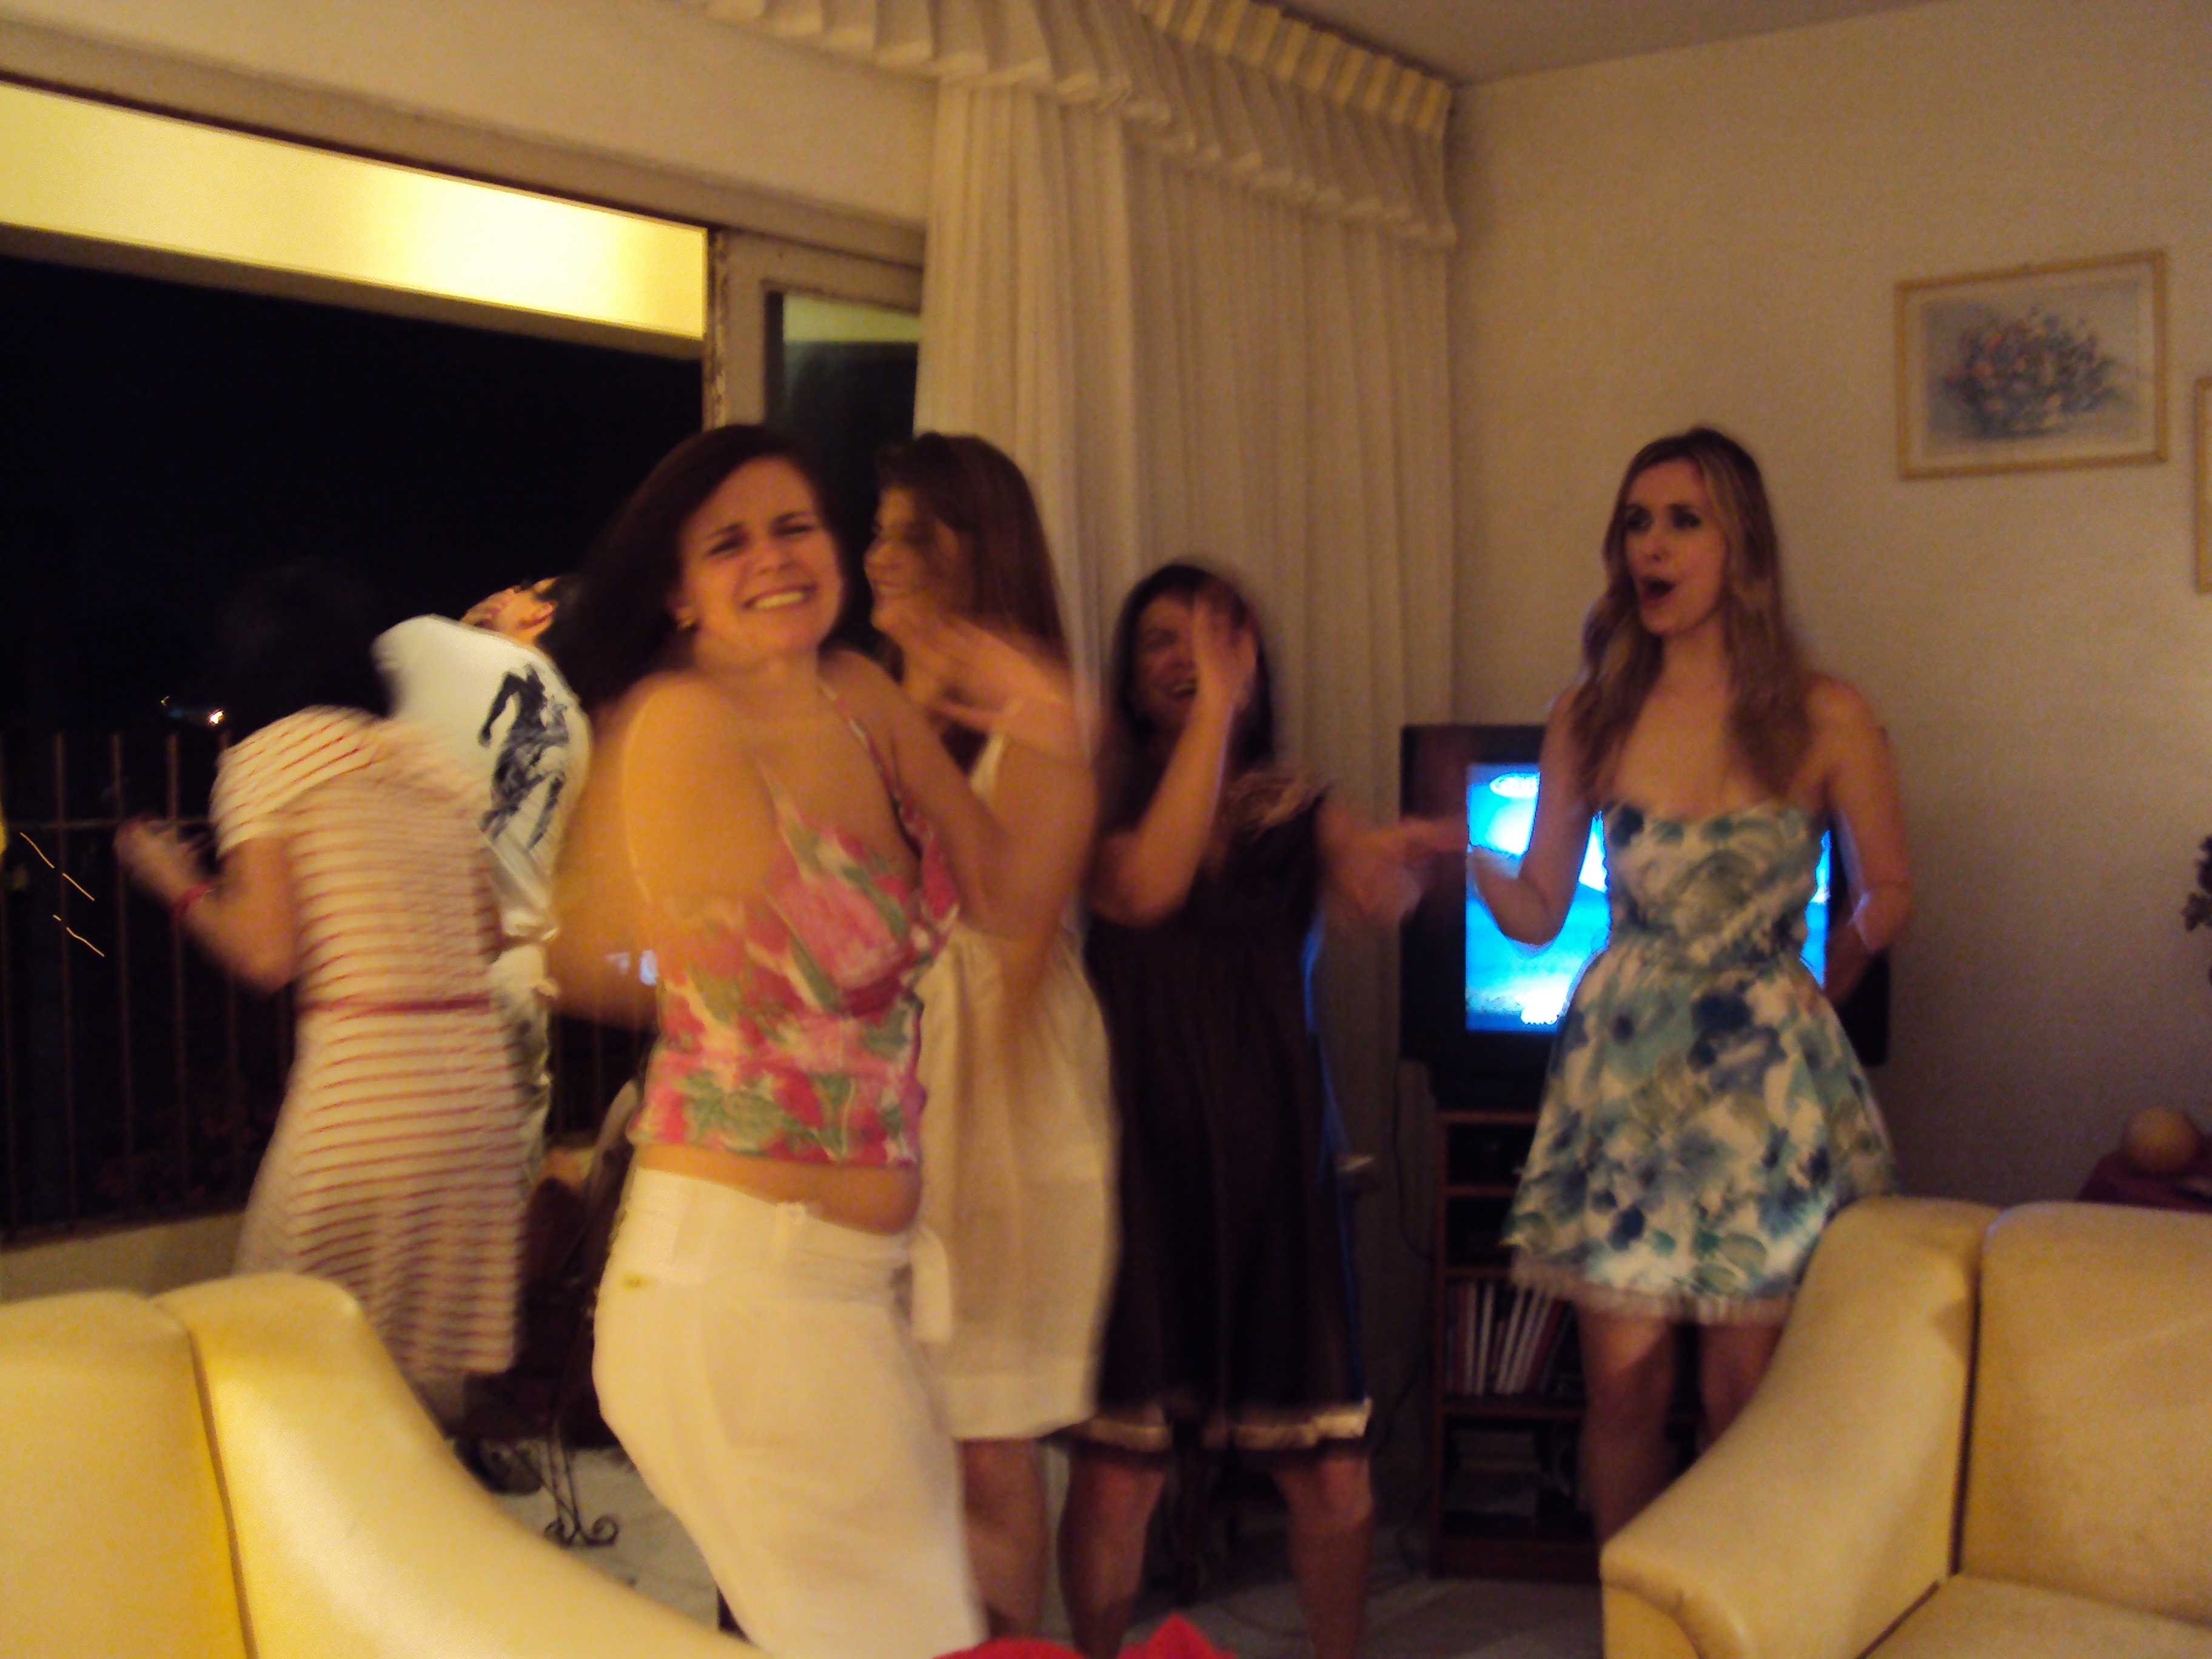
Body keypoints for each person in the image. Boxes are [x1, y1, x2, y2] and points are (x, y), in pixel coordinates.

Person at [540, 424, 1090, 1659]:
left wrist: (1054, 736)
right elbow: (637, 952)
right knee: (912, 1636)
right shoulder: (683, 722)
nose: (775, 559)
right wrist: (654, 930)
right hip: (740, 1288)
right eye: (728, 543)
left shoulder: (857, 697)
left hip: (846, 1286)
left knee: (920, 1624)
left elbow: (1008, 898)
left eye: (794, 527)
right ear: (679, 590)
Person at [1480, 426, 1911, 1541]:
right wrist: (1464, 860)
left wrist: (1825, 981)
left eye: (1682, 521)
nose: (1652, 548)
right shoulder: (1589, 715)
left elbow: (1889, 891)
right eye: (1636, 523)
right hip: (1626, 1083)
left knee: (1743, 1393)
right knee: (1622, 1387)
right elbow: (1538, 909)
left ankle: (1732, 1612)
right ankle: (1635, 1615)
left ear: (1742, 546)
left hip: (1765, 1089)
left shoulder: (1824, 712)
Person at [1059, 562, 1454, 1659]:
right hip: (1140, 1168)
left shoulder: (1299, 802)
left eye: (1210, 636)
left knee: (1329, 1468)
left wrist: (1400, 867)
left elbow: (1369, 891)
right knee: (1119, 1468)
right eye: (1161, 639)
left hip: (1278, 1166)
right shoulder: (1100, 801)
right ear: (1131, 673)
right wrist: (1214, 721)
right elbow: (1145, 886)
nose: (1186, 657)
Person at [114, 557, 528, 1424]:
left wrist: (176, 883)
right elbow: (488, 931)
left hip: (367, 1093)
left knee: (282, 1353)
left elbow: (266, 952)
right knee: (422, 1378)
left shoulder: (267, 759)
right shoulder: (422, 758)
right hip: (477, 1099)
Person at [865, 433, 1115, 1637]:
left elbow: (1010, 945)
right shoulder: (868, 700)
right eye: (876, 532)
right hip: (879, 1071)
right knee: (882, 1435)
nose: (876, 558)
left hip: (990, 1095)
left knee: (982, 1438)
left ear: (971, 549)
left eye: (906, 535)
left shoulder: (1039, 713)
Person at [375, 575, 590, 1180]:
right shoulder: (579, 729)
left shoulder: (427, 642)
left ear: (540, 613)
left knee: (402, 1182)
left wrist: (459, 628)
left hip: (419, 967)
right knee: (504, 1185)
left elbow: (339, 695)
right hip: (519, 970)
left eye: (521, 588)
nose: (503, 592)